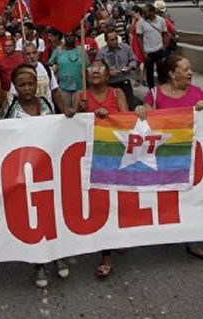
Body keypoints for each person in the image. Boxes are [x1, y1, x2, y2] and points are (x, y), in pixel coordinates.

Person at [0, 41, 74, 287]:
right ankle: (38, 264)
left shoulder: (47, 105)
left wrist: (70, 114)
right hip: (21, 175)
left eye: (30, 83)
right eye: (21, 84)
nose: (27, 88)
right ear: (15, 87)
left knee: (52, 216)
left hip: (48, 174)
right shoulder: (9, 104)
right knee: (32, 219)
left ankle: (58, 256)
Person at [135, 54, 203, 262]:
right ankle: (163, 231)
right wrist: (141, 110)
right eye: (186, 69)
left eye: (190, 69)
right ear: (172, 73)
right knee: (164, 196)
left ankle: (192, 242)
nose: (190, 72)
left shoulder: (197, 93)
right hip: (163, 158)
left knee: (191, 198)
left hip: (189, 156)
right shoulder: (154, 95)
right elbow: (147, 124)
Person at [73, 60, 129, 279]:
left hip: (115, 157)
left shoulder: (117, 94)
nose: (95, 71)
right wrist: (77, 110)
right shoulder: (80, 96)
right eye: (91, 68)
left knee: (118, 202)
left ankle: (120, 237)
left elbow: (127, 121)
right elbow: (70, 124)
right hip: (91, 158)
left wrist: (111, 118)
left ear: (108, 75)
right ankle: (106, 255)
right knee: (101, 204)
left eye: (99, 68)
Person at [12, 41, 63, 112]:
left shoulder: (47, 69)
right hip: (26, 115)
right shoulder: (18, 72)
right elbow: (14, 96)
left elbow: (55, 91)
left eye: (34, 53)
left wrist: (64, 109)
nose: (32, 56)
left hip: (47, 113)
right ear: (23, 56)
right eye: (28, 54)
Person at [96, 29, 138, 108]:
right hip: (110, 84)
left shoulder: (125, 47)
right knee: (113, 106)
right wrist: (109, 73)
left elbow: (133, 60)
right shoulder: (101, 52)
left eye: (116, 39)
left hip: (125, 81)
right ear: (106, 41)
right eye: (112, 40)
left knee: (130, 106)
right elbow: (98, 68)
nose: (115, 41)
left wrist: (129, 67)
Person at [49, 30, 88, 108]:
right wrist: (55, 67)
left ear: (75, 37)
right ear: (64, 38)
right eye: (67, 36)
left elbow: (87, 66)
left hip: (79, 87)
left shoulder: (81, 50)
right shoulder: (58, 50)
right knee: (65, 112)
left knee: (79, 112)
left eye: (71, 36)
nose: (69, 38)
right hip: (63, 87)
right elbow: (50, 63)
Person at [136, 5, 168, 88]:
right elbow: (139, 38)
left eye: (146, 12)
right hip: (148, 52)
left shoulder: (161, 20)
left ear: (152, 12)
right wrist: (143, 53)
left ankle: (164, 87)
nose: (144, 14)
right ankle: (152, 90)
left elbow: (165, 34)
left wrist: (164, 47)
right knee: (149, 73)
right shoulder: (141, 22)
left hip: (159, 49)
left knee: (162, 70)